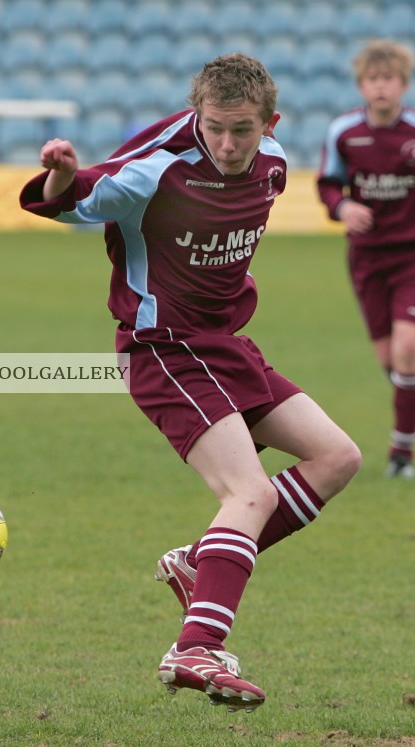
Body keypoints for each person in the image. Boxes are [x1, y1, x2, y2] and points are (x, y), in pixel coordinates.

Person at [19, 54, 361, 711]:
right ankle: (195, 647)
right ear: (196, 114)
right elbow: (79, 198)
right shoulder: (158, 165)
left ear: (271, 124)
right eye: (215, 128)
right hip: (162, 348)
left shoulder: (275, 165)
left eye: (242, 130)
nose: (228, 144)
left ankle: (197, 561)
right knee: (249, 492)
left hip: (225, 345)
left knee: (337, 456)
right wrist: (62, 176)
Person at [317, 39, 415, 479]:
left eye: (389, 79)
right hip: (366, 257)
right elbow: (329, 184)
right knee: (392, 364)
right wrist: (342, 207)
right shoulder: (343, 133)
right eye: (373, 79)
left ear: (403, 85)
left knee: (408, 350)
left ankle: (401, 455)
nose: (381, 87)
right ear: (361, 85)